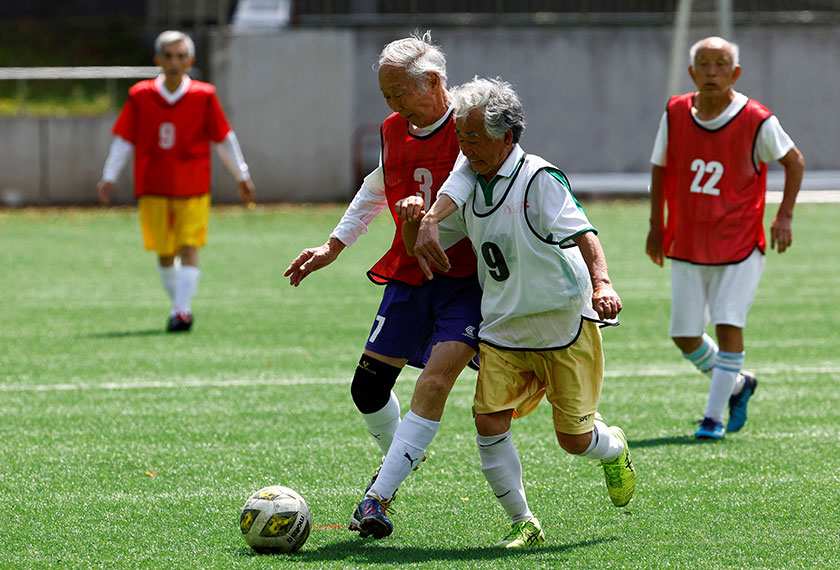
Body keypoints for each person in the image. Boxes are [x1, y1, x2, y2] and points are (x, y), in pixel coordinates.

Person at [403, 76, 636, 548]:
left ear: (506, 136)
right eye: (461, 136)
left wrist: (603, 282)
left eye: (474, 137)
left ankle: (612, 448)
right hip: (503, 330)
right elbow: (424, 250)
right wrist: (416, 225)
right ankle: (523, 522)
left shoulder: (539, 179)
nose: (464, 147)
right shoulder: (467, 183)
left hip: (563, 326)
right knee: (488, 421)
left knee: (574, 440)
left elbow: (585, 236)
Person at [282, 32, 482, 539]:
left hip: (469, 280)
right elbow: (378, 186)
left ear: (434, 82)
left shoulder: (472, 125)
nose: (392, 105)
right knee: (368, 390)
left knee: (436, 385)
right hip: (410, 273)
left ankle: (381, 492)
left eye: (399, 92)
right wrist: (333, 245)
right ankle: (401, 461)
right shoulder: (395, 128)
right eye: (386, 95)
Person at [645, 36, 805, 439]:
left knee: (728, 324)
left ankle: (712, 418)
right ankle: (736, 383)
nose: (712, 72)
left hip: (739, 244)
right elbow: (661, 167)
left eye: (721, 65)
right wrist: (656, 224)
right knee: (683, 335)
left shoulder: (756, 119)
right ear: (691, 72)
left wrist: (784, 216)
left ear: (735, 73)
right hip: (687, 241)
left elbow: (794, 161)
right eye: (704, 64)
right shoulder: (675, 111)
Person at [97, 30, 255, 333]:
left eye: (181, 56)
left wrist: (242, 175)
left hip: (193, 186)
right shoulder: (140, 95)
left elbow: (224, 138)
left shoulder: (204, 95)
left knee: (188, 245)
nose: (174, 62)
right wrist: (109, 176)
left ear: (190, 61)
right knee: (165, 252)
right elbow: (124, 139)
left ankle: (181, 310)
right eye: (168, 56)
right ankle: (179, 306)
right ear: (157, 60)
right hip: (153, 186)